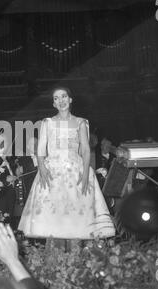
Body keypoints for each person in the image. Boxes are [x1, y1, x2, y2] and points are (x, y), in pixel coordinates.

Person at [18, 87, 115, 241]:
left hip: (75, 171)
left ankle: (75, 260)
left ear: (70, 100)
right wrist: (42, 168)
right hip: (52, 172)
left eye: (64, 97)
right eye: (56, 98)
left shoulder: (81, 122)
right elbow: (41, 149)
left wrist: (84, 175)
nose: (61, 100)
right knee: (52, 220)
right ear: (54, 104)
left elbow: (84, 149)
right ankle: (54, 260)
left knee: (76, 219)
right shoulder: (47, 122)